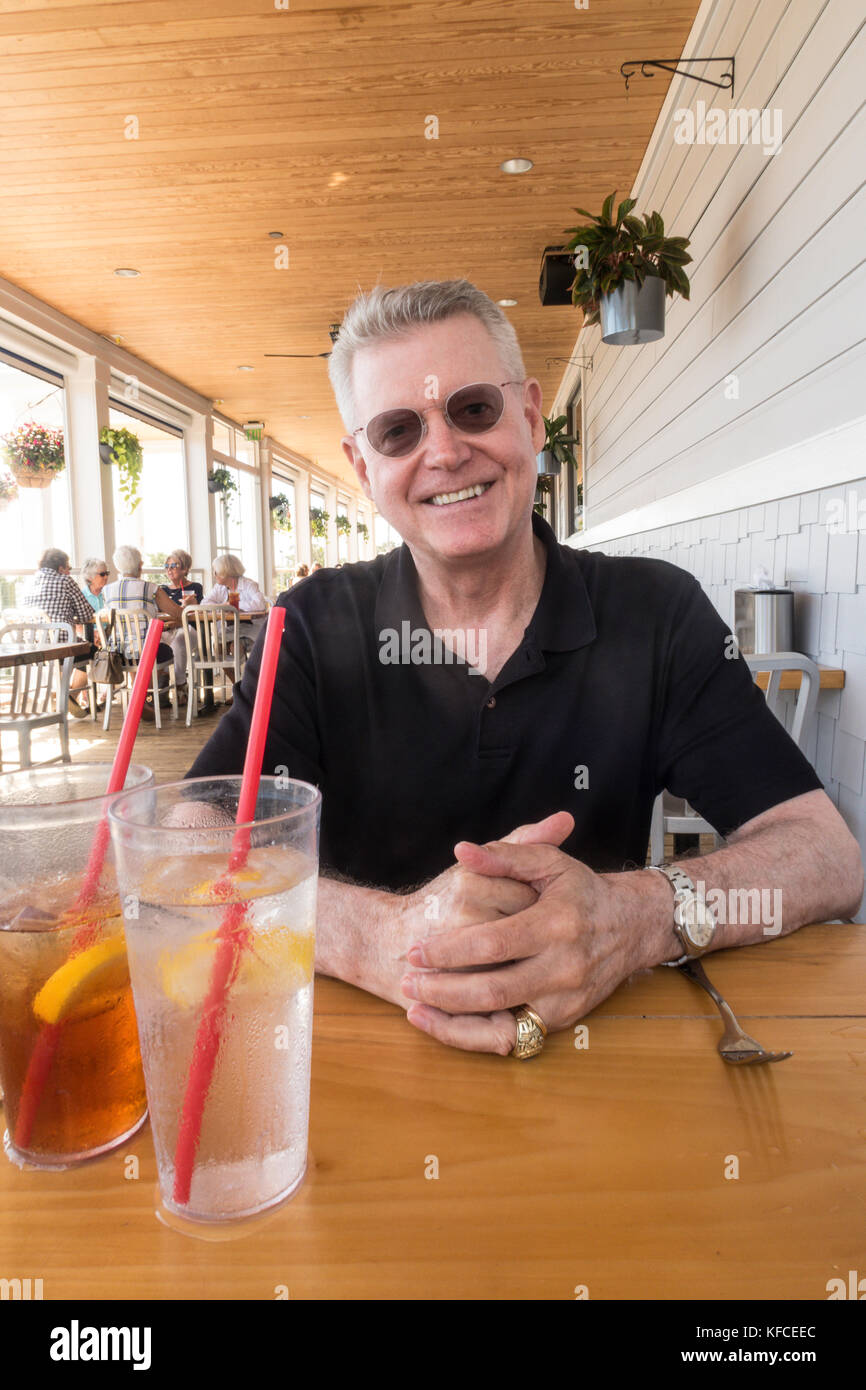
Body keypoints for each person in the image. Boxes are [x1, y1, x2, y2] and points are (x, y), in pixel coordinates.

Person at [188, 278, 864, 1059]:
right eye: (398, 431)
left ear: (531, 416)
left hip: (599, 1062)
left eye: (473, 409)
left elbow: (826, 855)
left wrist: (641, 916)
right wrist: (378, 937)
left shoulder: (656, 611)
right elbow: (191, 841)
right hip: (348, 1069)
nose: (443, 452)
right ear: (362, 466)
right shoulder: (307, 625)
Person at [102, 546, 183, 717]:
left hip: (117, 654)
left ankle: (138, 696)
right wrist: (187, 608)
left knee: (134, 649)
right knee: (165, 650)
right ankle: (140, 697)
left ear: (118, 567)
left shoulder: (106, 590)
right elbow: (176, 612)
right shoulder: (150, 588)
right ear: (140, 565)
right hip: (146, 653)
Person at [22, 548, 97, 717]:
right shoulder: (65, 581)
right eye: (68, 567)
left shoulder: (28, 583)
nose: (69, 571)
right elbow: (86, 615)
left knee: (77, 646)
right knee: (92, 651)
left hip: (33, 650)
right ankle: (70, 695)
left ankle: (64, 695)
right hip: (59, 648)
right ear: (61, 568)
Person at [160, 549, 204, 697]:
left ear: (184, 569)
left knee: (178, 642)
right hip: (167, 629)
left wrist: (195, 604)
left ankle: (180, 685)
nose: (169, 569)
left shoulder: (195, 587)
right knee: (157, 643)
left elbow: (200, 613)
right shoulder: (162, 590)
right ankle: (161, 686)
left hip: (188, 629)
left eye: (173, 565)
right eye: (167, 566)